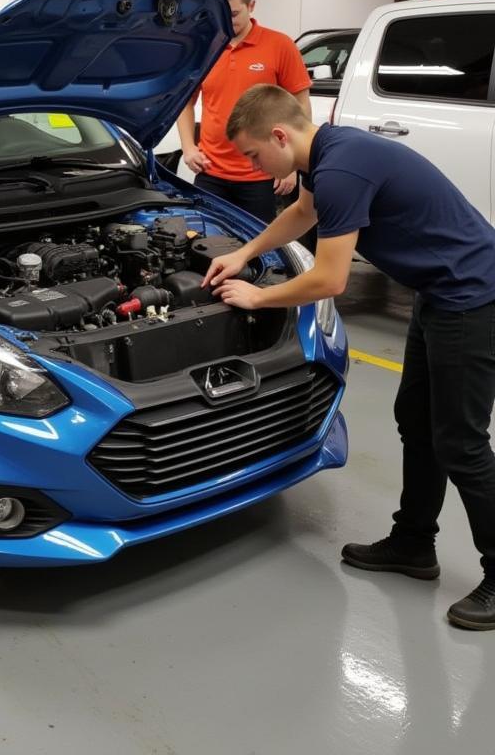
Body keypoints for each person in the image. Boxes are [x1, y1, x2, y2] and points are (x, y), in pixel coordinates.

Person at [202, 83, 495, 631]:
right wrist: (243, 253)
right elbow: (302, 213)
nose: (256, 168)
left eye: (254, 154)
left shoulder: (340, 170)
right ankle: (413, 543)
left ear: (280, 135)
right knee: (417, 423)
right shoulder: (329, 153)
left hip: (473, 297)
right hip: (441, 291)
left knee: (461, 440)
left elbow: (331, 278)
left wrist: (259, 295)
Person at [177, 0, 312, 225]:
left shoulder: (280, 45)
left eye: (235, 14)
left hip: (260, 175)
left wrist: (292, 163)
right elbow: (186, 101)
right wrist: (188, 147)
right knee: (206, 244)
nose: (228, 21)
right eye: (221, 13)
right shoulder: (204, 47)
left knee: (259, 250)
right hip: (210, 172)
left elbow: (301, 104)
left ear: (251, 6)